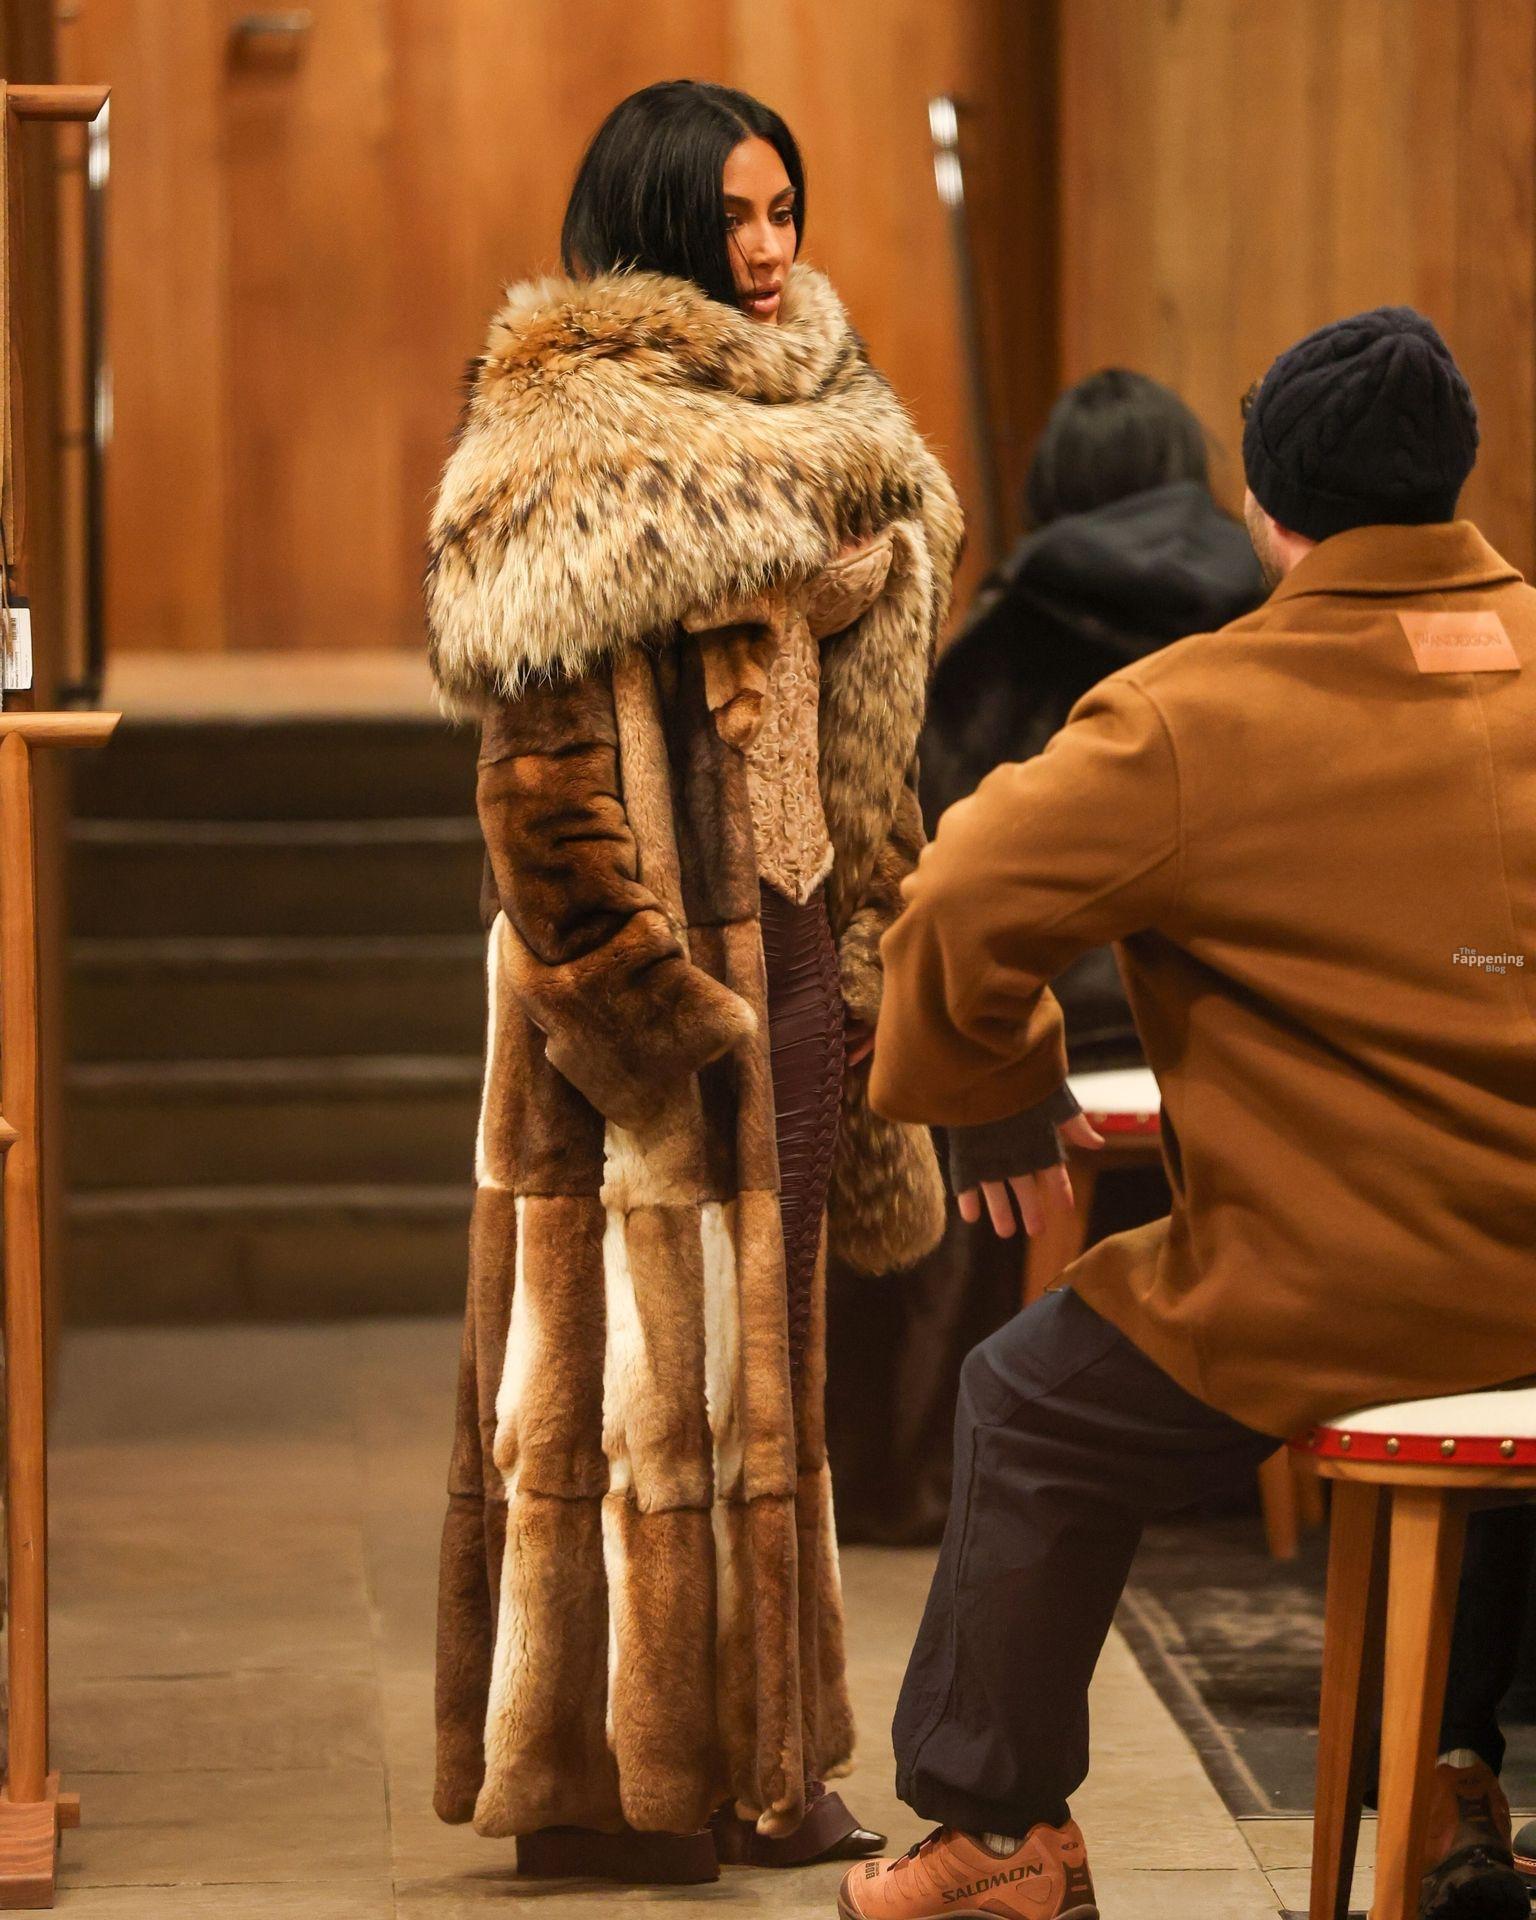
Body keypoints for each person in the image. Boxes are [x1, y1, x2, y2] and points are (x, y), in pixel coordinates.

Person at [839, 307, 1535, 1920]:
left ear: (1265, 508)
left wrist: (995, 1095)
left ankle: (1002, 1843)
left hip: (1337, 1287)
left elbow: (954, 902)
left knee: (1027, 1403)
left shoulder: (1195, 713)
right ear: (1455, 476)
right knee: (1486, 1401)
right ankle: (1450, 1772)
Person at [423, 80, 962, 1886]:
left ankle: (762, 1760)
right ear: (657, 222)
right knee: (626, 1392)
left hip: (794, 947)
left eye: (783, 208)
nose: (767, 247)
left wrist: (856, 951)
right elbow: (536, 784)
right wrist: (640, 1007)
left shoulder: (826, 421)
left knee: (768, 1386)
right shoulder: (571, 447)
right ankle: (615, 1779)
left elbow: (867, 735)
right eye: (731, 214)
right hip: (648, 1010)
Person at [826, 373, 1263, 1548]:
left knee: (915, 1067)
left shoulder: (1000, 637)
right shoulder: (1264, 621)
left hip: (1051, 1031)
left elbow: (936, 857)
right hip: (1227, 1029)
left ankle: (913, 1460)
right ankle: (1243, 1471)